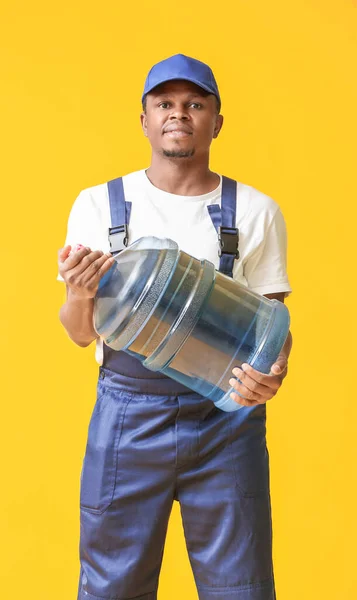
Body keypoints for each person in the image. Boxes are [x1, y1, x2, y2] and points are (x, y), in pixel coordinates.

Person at [58, 54, 292, 600]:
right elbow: (79, 332)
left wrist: (276, 371)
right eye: (164, 103)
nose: (178, 114)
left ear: (216, 121)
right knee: (112, 587)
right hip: (126, 416)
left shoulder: (255, 210)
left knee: (242, 587)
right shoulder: (98, 205)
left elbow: (275, 328)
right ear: (144, 120)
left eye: (195, 104)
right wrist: (79, 291)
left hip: (227, 421)